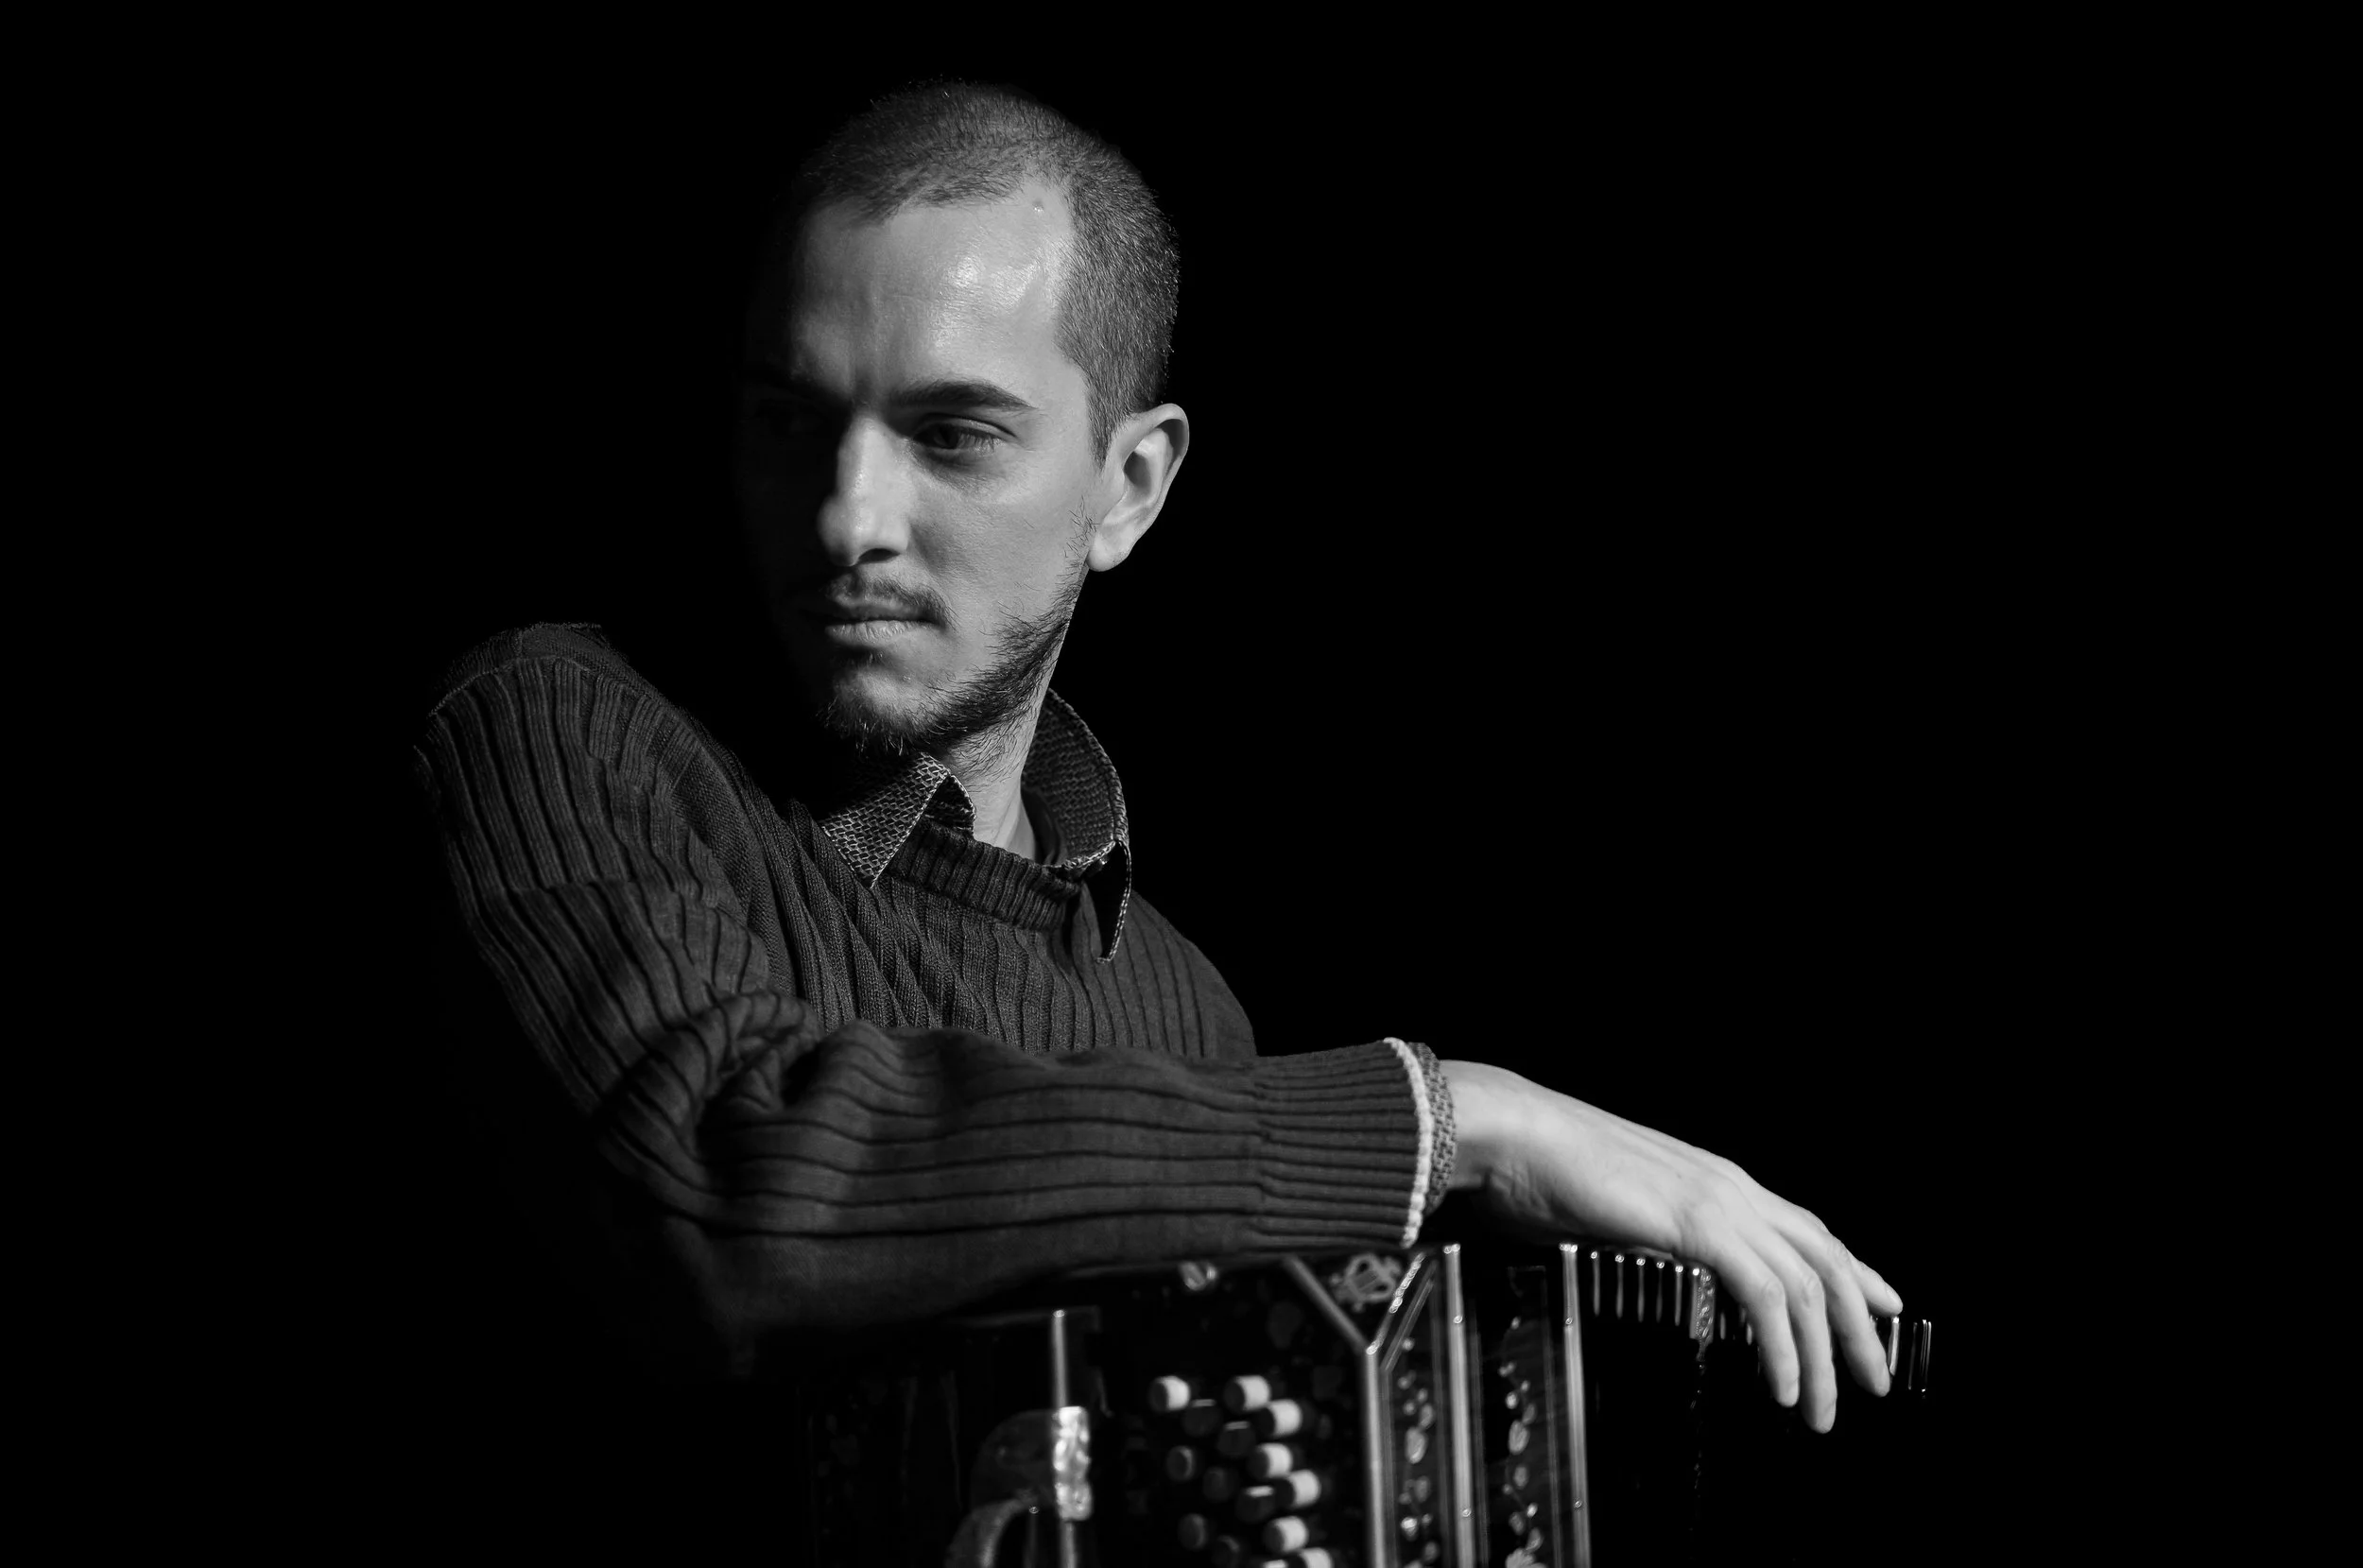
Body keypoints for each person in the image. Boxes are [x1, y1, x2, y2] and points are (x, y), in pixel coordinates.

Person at [413, 82, 1903, 1451]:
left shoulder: (1183, 1006)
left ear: (1128, 488)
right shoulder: (560, 727)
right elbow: (729, 1196)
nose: (844, 518)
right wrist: (1449, 1119)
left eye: (951, 435)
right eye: (791, 425)